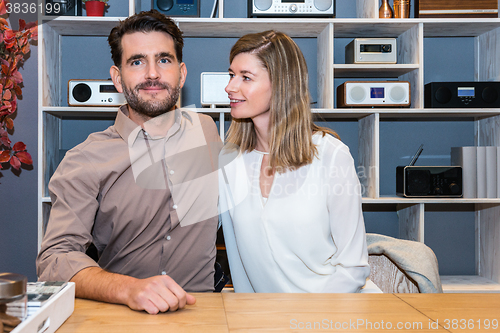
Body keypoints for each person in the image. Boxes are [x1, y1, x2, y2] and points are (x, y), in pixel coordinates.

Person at [36, 10, 221, 314]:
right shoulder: (84, 160)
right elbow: (54, 258)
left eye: (164, 60)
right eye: (137, 62)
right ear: (118, 79)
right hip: (123, 316)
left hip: (204, 313)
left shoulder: (206, 129)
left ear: (182, 73)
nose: (152, 73)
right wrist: (128, 289)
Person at [218, 30, 370, 293]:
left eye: (246, 77)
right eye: (231, 75)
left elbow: (353, 270)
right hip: (261, 319)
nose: (230, 87)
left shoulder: (331, 155)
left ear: (281, 83)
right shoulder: (229, 159)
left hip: (328, 315)